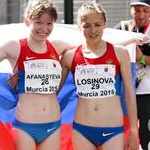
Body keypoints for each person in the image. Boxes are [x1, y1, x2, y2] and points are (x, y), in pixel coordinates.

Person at [60, 1, 139, 150]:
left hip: (113, 131)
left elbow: (129, 93)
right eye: (87, 26)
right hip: (82, 130)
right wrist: (20, 78)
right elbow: (52, 90)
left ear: (104, 24)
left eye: (97, 24)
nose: (93, 30)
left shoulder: (120, 53)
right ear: (79, 26)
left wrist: (134, 130)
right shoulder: (69, 56)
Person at [0, 0, 74, 149]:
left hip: (52, 125)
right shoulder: (14, 47)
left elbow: (91, 50)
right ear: (27, 21)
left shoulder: (57, 46)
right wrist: (6, 87)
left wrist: (131, 41)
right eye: (39, 22)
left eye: (49, 23)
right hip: (24, 126)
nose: (44, 28)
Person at [115, 0, 150, 149]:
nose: (141, 15)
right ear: (131, 10)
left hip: (147, 92)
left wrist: (141, 58)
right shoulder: (122, 28)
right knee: (125, 133)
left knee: (145, 135)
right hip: (125, 92)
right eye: (137, 10)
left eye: (145, 10)